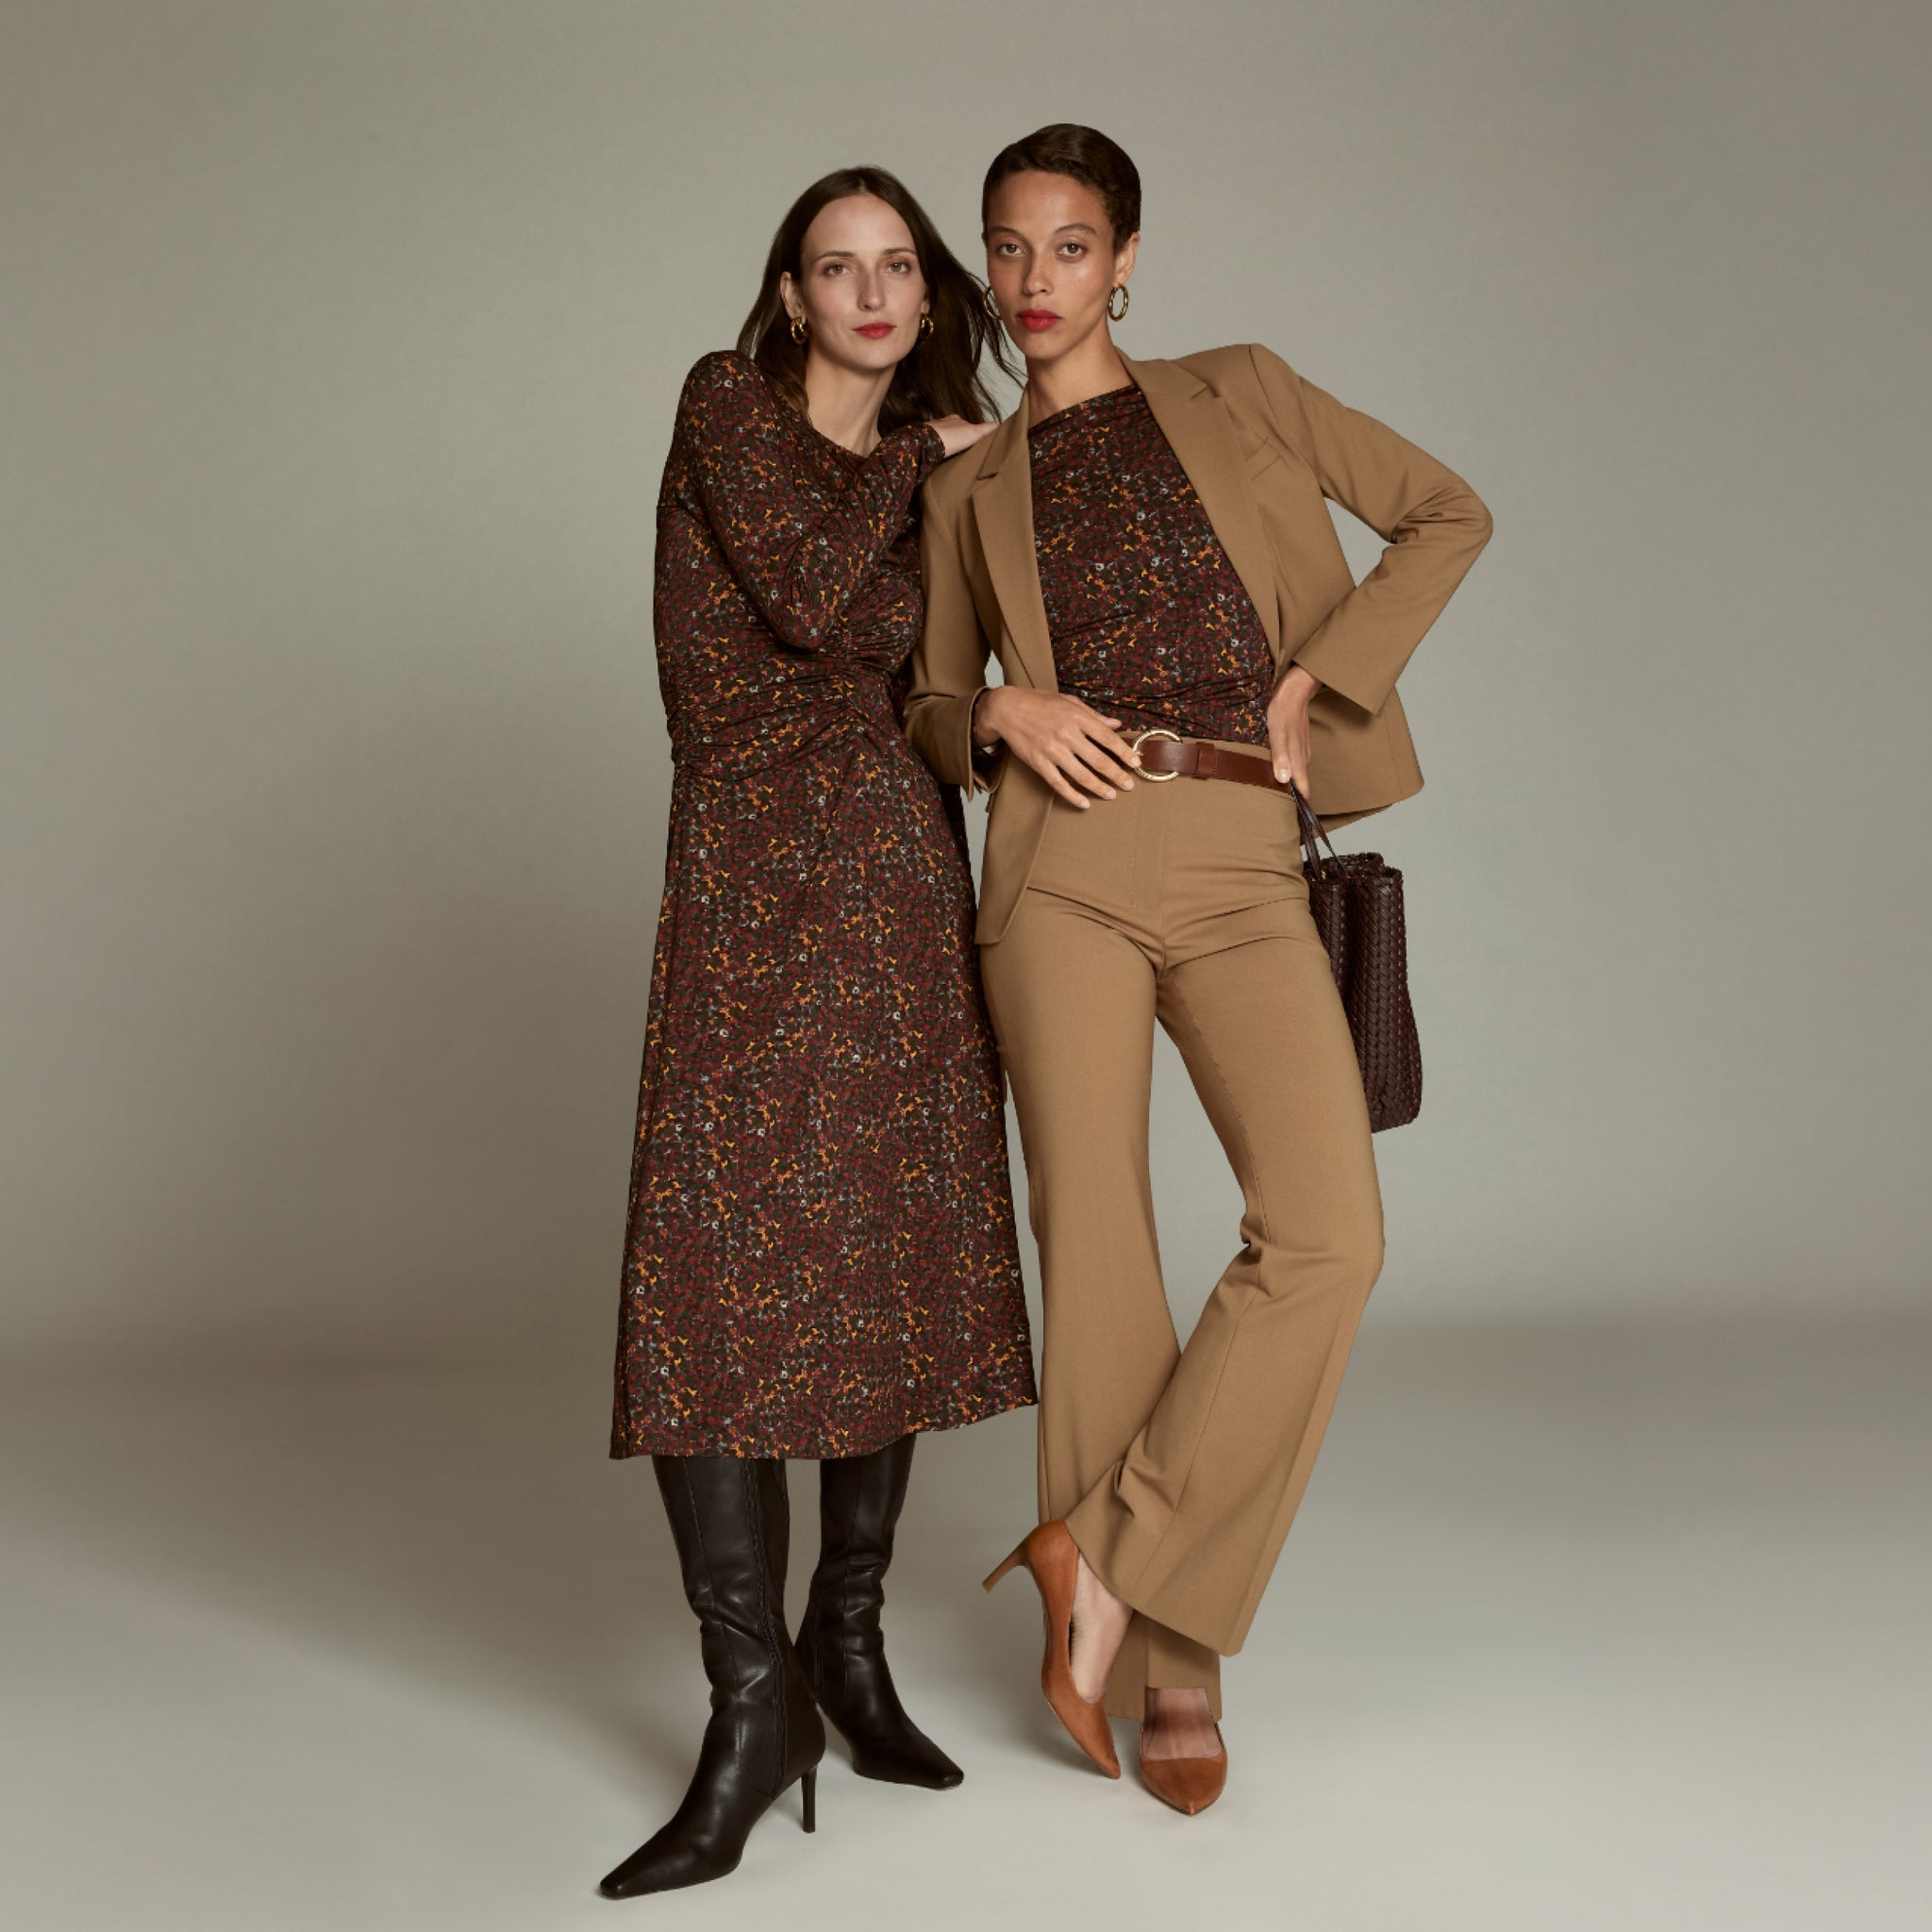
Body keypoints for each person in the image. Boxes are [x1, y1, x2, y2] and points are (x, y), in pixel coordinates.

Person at [905, 125, 1491, 1815]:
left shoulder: (1242, 390)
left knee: (1326, 1231)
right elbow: (928, 705)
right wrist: (996, 709)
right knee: (1097, 1249)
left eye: (1070, 247)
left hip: (1241, 854)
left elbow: (1445, 513)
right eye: (1007, 248)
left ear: (1128, 258)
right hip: (1064, 870)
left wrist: (1322, 675)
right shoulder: (966, 486)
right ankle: (1171, 1669)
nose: (1034, 281)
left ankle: (1102, 1556)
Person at [601, 167, 1034, 1898]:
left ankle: (845, 1647)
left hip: (899, 893)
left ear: (928, 297)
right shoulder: (730, 407)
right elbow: (804, 593)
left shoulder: (951, 474)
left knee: (880, 1262)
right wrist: (930, 463)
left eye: (897, 267)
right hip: (745, 888)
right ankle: (750, 1705)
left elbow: (955, 685)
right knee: (705, 1292)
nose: (869, 291)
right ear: (789, 294)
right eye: (835, 266)